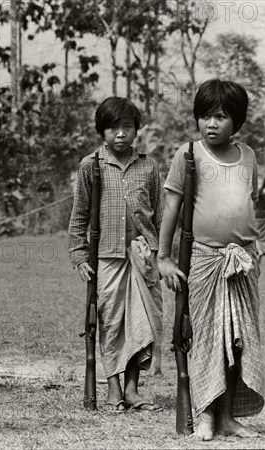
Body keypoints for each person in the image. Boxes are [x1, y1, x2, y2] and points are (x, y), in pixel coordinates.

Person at [158, 79, 265, 440]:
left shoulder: (248, 156)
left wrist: (257, 246)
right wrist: (164, 257)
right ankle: (204, 415)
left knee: (239, 340)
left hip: (242, 263)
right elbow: (171, 207)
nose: (211, 124)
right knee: (205, 339)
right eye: (205, 116)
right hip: (202, 262)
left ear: (237, 120)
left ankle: (228, 417)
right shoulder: (188, 155)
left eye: (220, 116)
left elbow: (246, 203)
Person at [68, 97, 164, 412]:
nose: (120, 134)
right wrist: (80, 255)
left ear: (136, 130)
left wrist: (162, 254)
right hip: (105, 258)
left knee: (143, 325)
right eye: (113, 128)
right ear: (102, 131)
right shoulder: (90, 166)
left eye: (127, 127)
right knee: (110, 322)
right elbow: (79, 215)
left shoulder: (149, 166)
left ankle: (133, 389)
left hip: (143, 256)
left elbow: (161, 216)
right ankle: (113, 389)